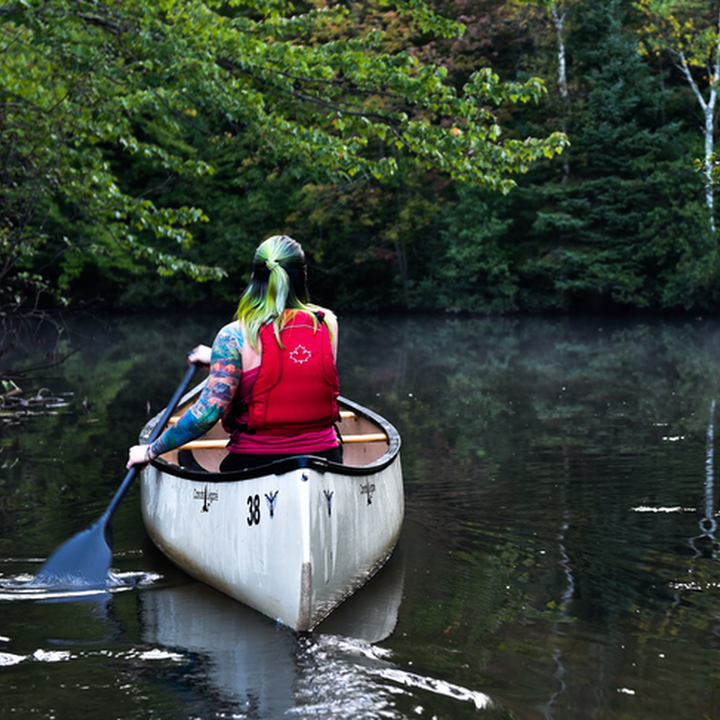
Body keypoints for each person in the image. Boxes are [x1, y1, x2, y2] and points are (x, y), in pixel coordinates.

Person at [126, 235, 341, 471]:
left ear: (254, 278)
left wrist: (150, 450)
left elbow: (206, 415)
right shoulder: (325, 323)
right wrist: (218, 359)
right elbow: (299, 372)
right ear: (304, 278)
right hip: (325, 457)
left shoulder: (233, 336)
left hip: (254, 461)